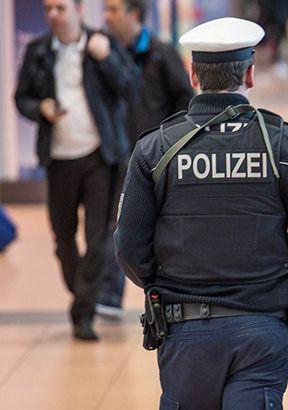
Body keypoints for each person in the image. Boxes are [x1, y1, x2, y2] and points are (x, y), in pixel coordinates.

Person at [114, 17, 288, 409]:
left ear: (193, 75)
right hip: (263, 328)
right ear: (249, 75)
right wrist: (274, 250)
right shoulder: (284, 144)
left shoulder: (155, 149)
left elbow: (130, 250)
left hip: (185, 329)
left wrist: (172, 274)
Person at [14, 0, 137, 341]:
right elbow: (21, 97)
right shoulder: (39, 51)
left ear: (78, 11)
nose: (53, 15)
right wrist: (40, 107)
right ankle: (83, 294)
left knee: (98, 237)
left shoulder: (102, 43)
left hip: (100, 156)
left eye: (61, 8)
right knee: (63, 237)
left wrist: (106, 58)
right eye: (48, 9)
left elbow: (131, 87)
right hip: (59, 159)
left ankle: (83, 313)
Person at [97, 0, 195, 320]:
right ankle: (108, 295)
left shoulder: (161, 53)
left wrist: (168, 141)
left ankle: (162, 292)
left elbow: (185, 100)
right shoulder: (102, 51)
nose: (106, 17)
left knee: (153, 223)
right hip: (113, 154)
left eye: (113, 10)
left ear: (134, 14)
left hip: (156, 157)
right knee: (114, 223)